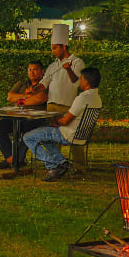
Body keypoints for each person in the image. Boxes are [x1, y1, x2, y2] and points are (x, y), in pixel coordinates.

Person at [22, 67, 102, 182]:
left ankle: (52, 166)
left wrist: (55, 120)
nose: (79, 81)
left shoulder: (82, 98)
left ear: (86, 81)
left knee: (28, 137)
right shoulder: (97, 98)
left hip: (68, 134)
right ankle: (62, 163)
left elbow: (65, 121)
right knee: (44, 134)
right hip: (82, 136)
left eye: (81, 79)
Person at [40, 23, 86, 164]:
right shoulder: (53, 65)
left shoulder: (77, 62)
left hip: (68, 106)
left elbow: (76, 83)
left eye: (55, 48)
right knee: (52, 136)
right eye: (52, 48)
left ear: (63, 47)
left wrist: (68, 69)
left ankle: (79, 166)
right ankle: (56, 163)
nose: (53, 51)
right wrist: (33, 89)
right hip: (51, 106)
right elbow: (44, 83)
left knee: (73, 135)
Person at [0, 61, 48, 170]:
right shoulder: (21, 84)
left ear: (42, 71)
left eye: (35, 69)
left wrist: (20, 99)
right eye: (30, 70)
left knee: (29, 130)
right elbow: (10, 97)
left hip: (35, 119)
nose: (32, 72)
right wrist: (26, 95)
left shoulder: (45, 85)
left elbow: (40, 99)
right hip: (17, 117)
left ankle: (16, 159)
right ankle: (12, 157)